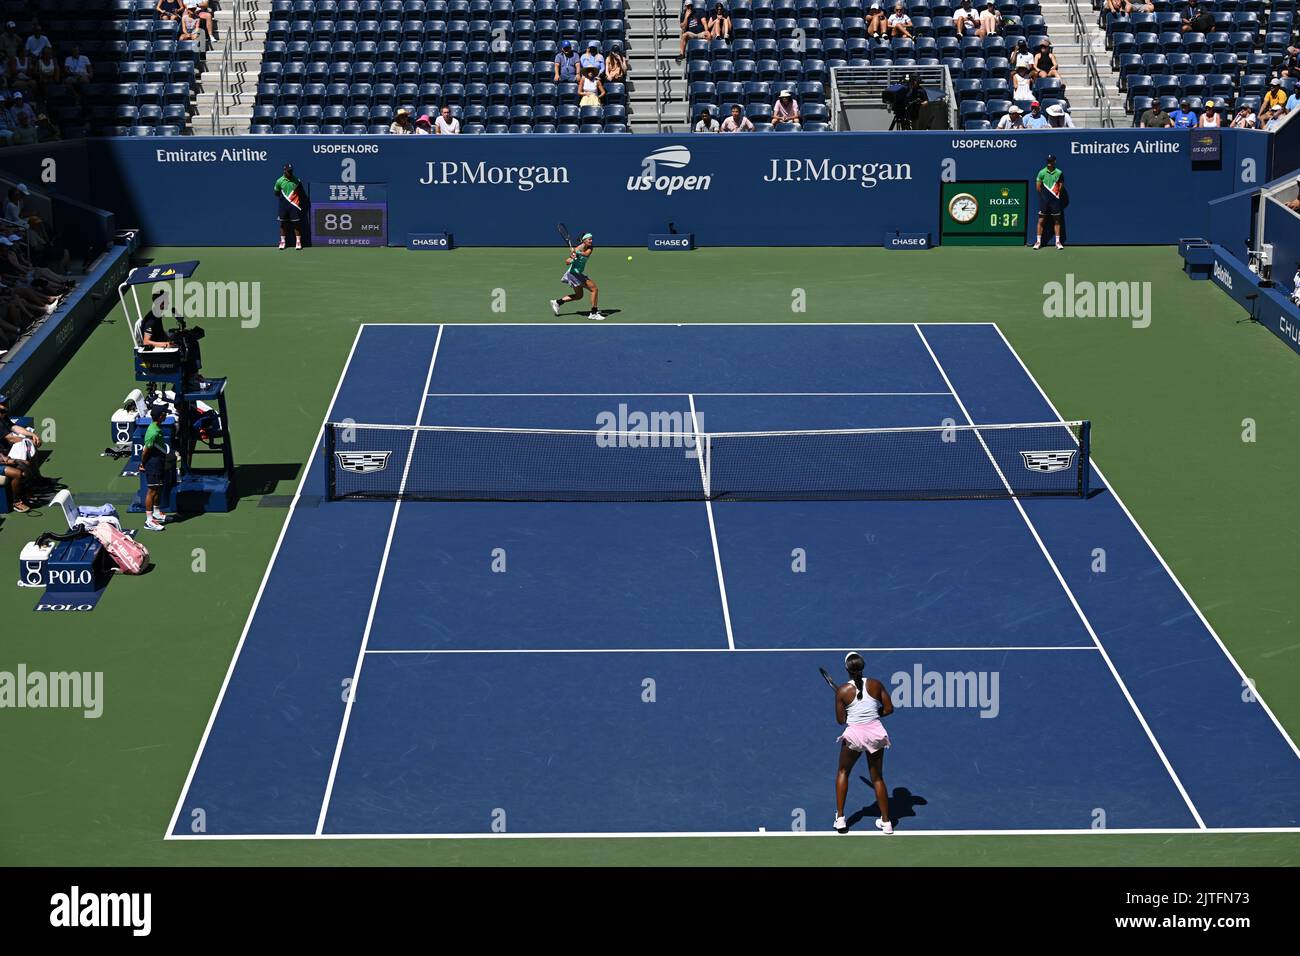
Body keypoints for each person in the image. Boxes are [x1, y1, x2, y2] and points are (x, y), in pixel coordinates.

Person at [832, 652, 894, 835]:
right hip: (876, 734)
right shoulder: (876, 684)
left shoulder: (842, 691)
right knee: (877, 778)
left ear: (846, 669)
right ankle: (887, 823)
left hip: (855, 736)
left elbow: (841, 721)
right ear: (863, 667)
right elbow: (889, 709)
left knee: (843, 772)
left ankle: (841, 819)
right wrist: (873, 715)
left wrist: (843, 703)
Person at [550, 232, 601, 320]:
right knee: (594, 289)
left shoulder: (589, 248)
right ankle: (593, 313)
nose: (591, 241)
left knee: (579, 296)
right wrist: (572, 258)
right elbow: (567, 262)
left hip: (576, 274)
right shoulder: (578, 248)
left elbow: (586, 254)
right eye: (589, 239)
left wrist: (577, 252)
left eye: (591, 239)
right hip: (573, 274)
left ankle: (557, 302)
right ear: (584, 240)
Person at [139, 406, 170, 531]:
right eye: (165, 413)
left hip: (158, 462)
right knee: (152, 491)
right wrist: (143, 463)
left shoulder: (156, 427)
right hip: (153, 464)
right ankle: (149, 520)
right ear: (161, 416)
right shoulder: (153, 432)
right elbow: (146, 450)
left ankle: (156, 513)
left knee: (158, 488)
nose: (166, 415)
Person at [1034, 153, 1065, 250]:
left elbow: (1061, 185)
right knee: (1041, 220)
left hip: (1055, 200)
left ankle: (1058, 242)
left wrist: (1055, 194)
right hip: (1044, 201)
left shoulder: (1059, 172)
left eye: (1050, 161)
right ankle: (1038, 242)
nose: (1049, 163)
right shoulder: (1041, 172)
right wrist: (1044, 196)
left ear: (1054, 162)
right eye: (1047, 161)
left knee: (1056, 221)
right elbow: (1038, 187)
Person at [273, 162, 305, 250]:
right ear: (284, 171)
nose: (290, 173)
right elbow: (276, 193)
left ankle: (298, 242)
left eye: (291, 171)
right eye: (288, 171)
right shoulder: (279, 181)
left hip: (294, 205)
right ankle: (282, 242)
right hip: (284, 206)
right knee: (283, 224)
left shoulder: (297, 180)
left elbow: (301, 193)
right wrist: (284, 199)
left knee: (296, 224)